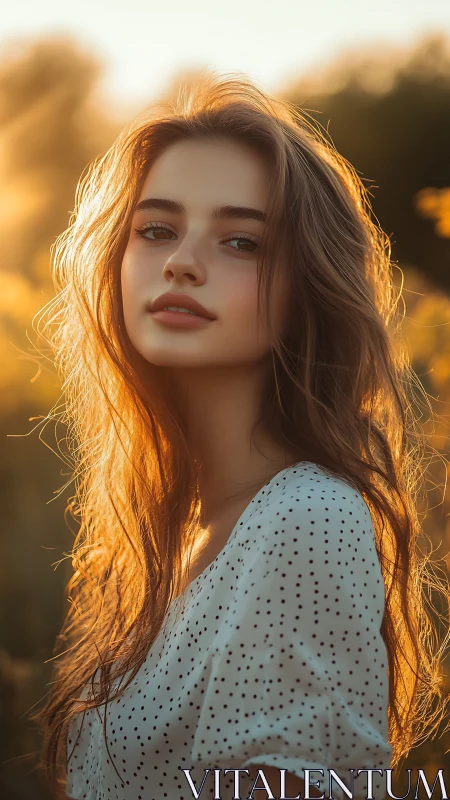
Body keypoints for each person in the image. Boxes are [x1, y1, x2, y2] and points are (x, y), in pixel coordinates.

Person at [31, 74, 449, 800]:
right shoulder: (160, 532)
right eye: (156, 229)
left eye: (241, 241)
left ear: (307, 288)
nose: (181, 262)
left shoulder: (305, 519)